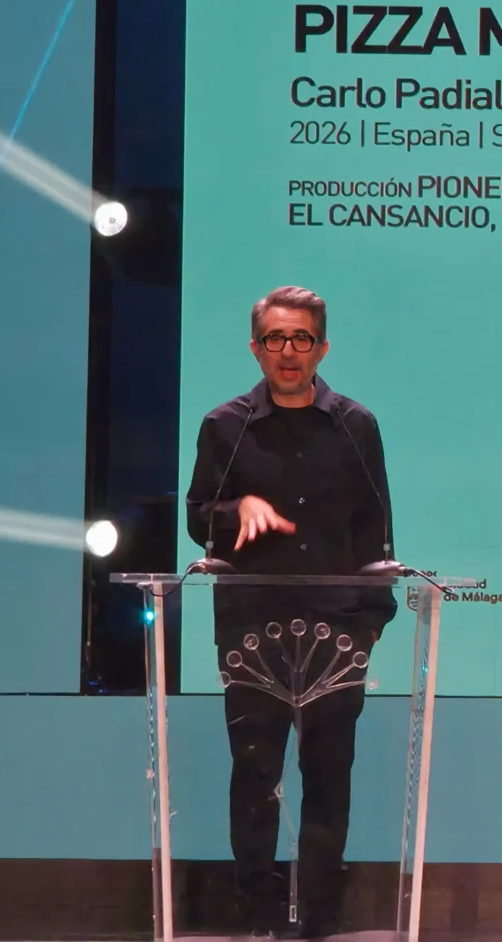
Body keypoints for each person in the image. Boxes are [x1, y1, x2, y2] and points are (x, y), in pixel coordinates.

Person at [183, 286, 397, 939]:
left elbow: (377, 532)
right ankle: (258, 916)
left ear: (321, 348)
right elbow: (198, 517)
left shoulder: (356, 425)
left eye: (301, 338)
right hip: (252, 630)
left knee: (328, 780)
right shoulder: (225, 426)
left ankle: (320, 920)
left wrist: (370, 623)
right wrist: (235, 510)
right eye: (275, 338)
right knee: (256, 777)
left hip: (338, 634)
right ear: (256, 348)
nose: (288, 351)